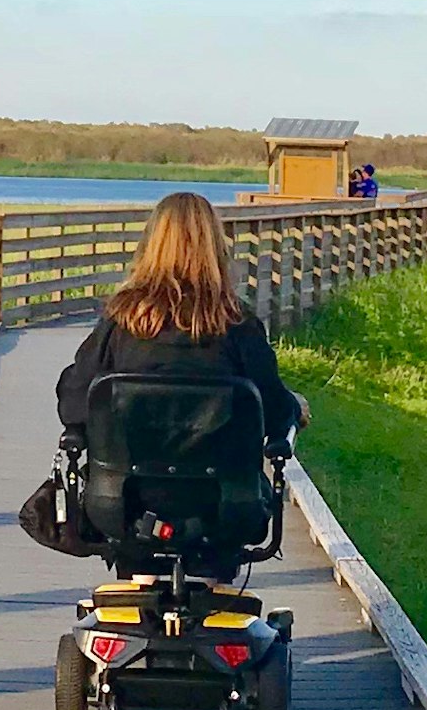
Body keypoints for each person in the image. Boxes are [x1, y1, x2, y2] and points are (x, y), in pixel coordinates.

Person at [23, 191, 301, 556]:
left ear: (150, 245)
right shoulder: (239, 325)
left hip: (121, 505)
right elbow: (275, 416)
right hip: (226, 506)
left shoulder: (120, 322)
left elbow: (74, 405)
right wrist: (295, 407)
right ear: (216, 247)